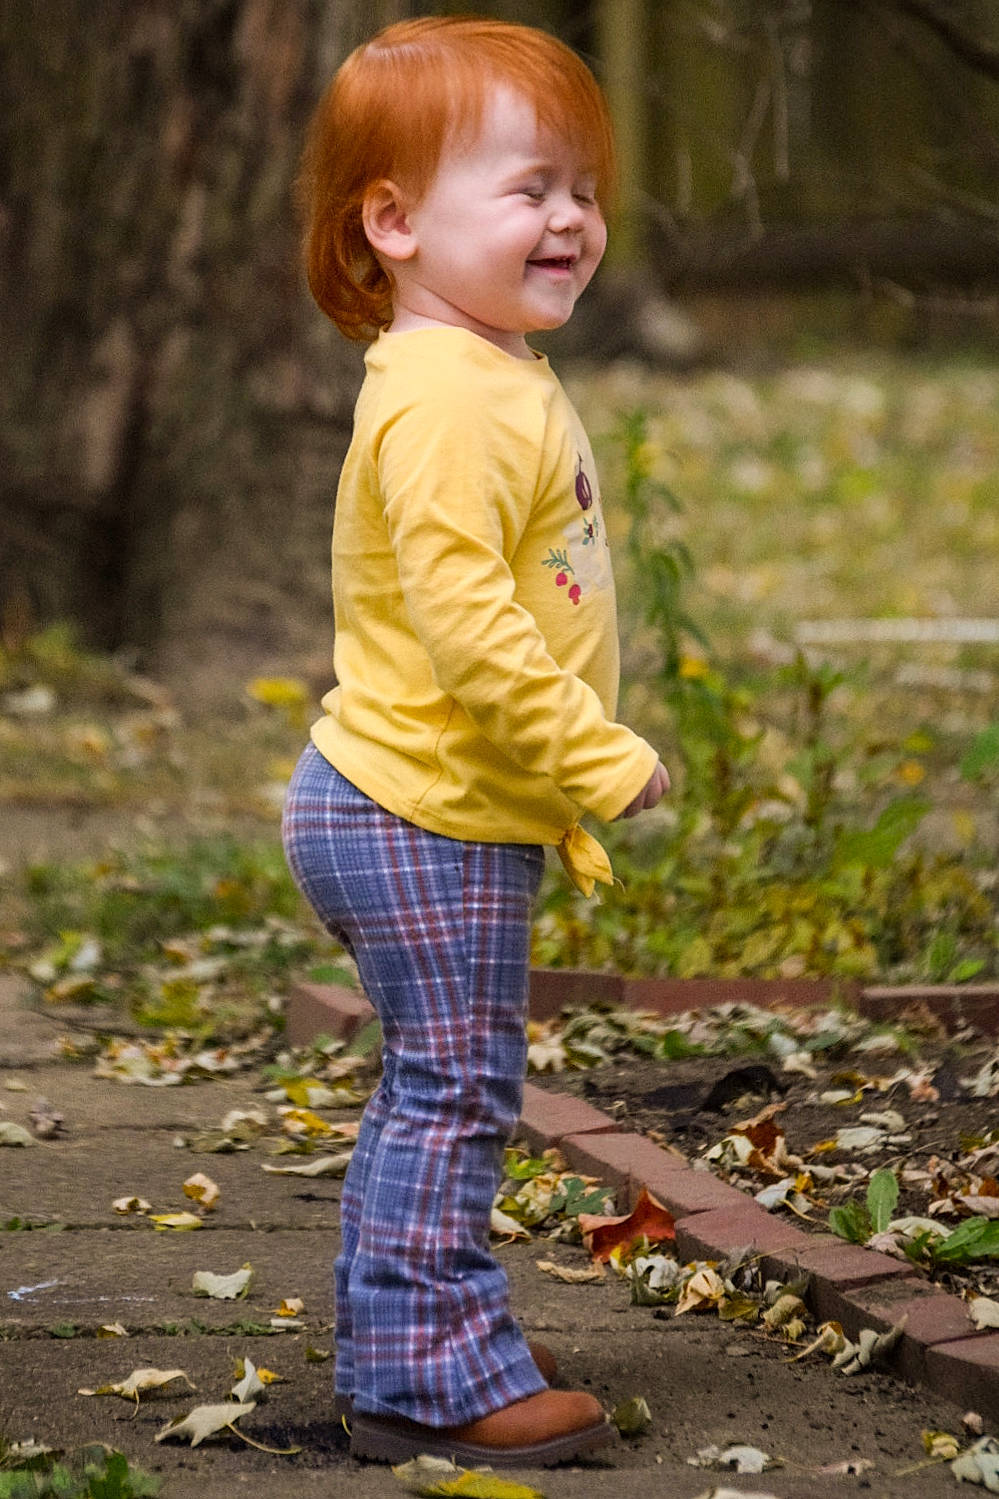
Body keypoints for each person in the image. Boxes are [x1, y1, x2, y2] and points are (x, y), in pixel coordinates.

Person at [281, 14, 670, 1468]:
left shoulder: (473, 366)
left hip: (418, 805)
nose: (570, 218)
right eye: (528, 189)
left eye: (584, 188)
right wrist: (597, 756)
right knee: (453, 1094)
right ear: (393, 222)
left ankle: (416, 1337)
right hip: (421, 813)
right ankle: (430, 1372)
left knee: (432, 1088)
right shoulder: (447, 398)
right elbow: (471, 631)